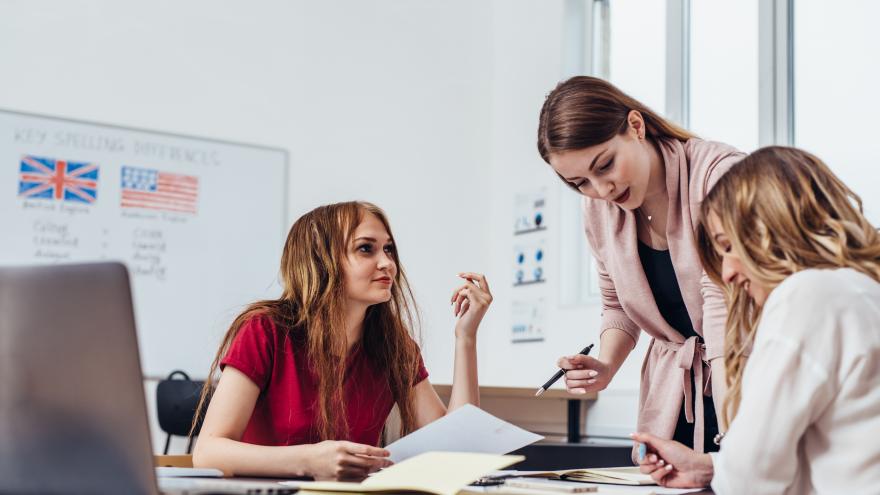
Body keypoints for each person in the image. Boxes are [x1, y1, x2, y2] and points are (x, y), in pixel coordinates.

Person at [634, 146, 880, 494]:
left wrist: (730, 468)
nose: (729, 274)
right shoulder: (862, 290)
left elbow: (752, 476)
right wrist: (711, 467)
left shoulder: (806, 296)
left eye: (729, 247)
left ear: (773, 228)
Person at [191, 201, 493, 480]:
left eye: (388, 249)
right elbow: (208, 452)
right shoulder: (264, 330)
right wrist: (309, 460)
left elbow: (457, 446)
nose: (387, 263)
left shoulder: (393, 346)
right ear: (321, 261)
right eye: (366, 249)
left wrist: (466, 337)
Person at [537, 76, 743, 454]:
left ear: (635, 126)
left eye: (605, 165)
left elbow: (723, 305)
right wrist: (606, 365)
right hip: (677, 399)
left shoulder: (717, 175)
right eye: (579, 182)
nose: (601, 191)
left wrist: (737, 434)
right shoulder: (599, 210)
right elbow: (617, 304)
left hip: (742, 375)